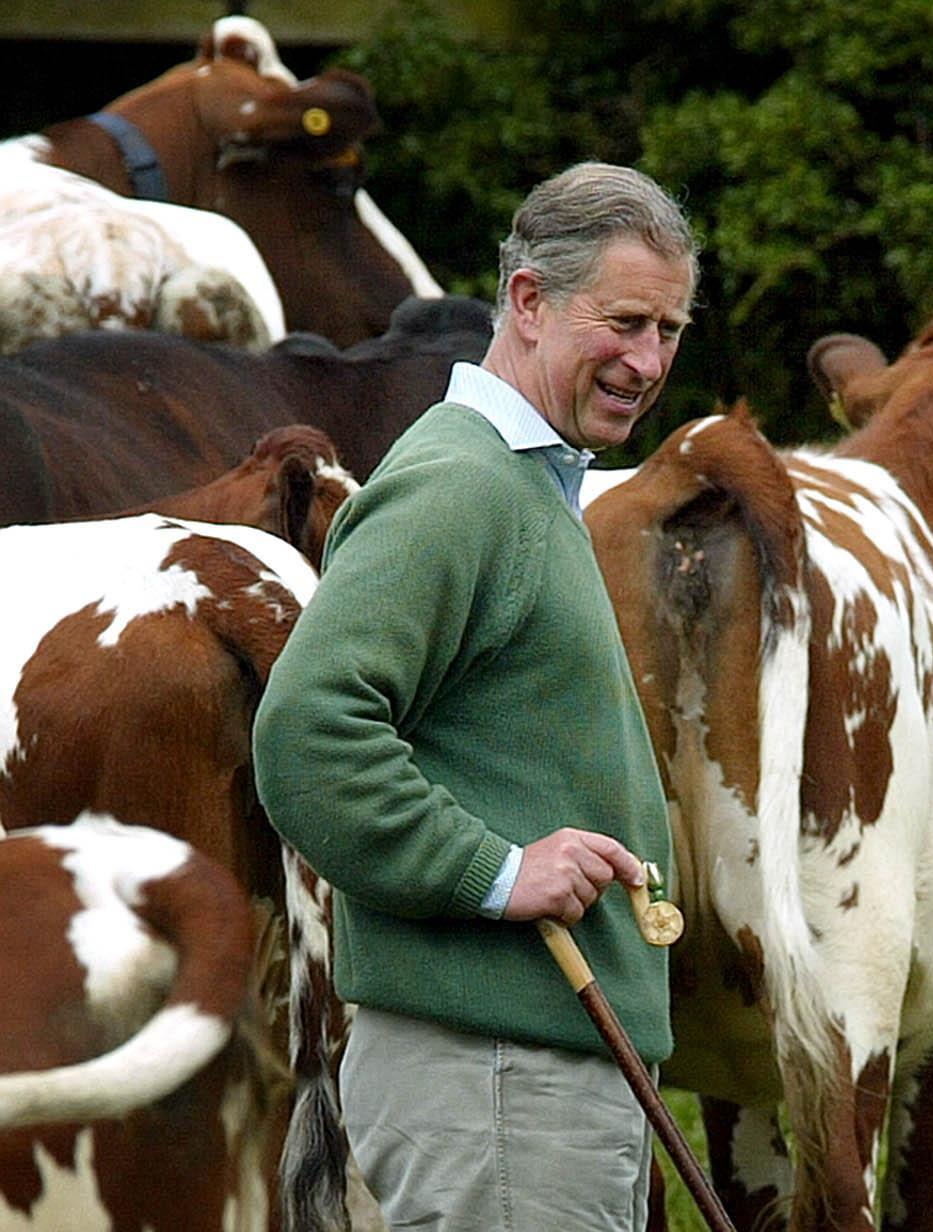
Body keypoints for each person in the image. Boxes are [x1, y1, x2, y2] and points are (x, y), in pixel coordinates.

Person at [255, 161, 696, 1231]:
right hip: (498, 1089)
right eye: (625, 320)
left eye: (670, 330)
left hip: (520, 1083)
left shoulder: (525, 485)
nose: (647, 360)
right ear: (530, 300)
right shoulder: (461, 486)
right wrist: (497, 871)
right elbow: (308, 730)